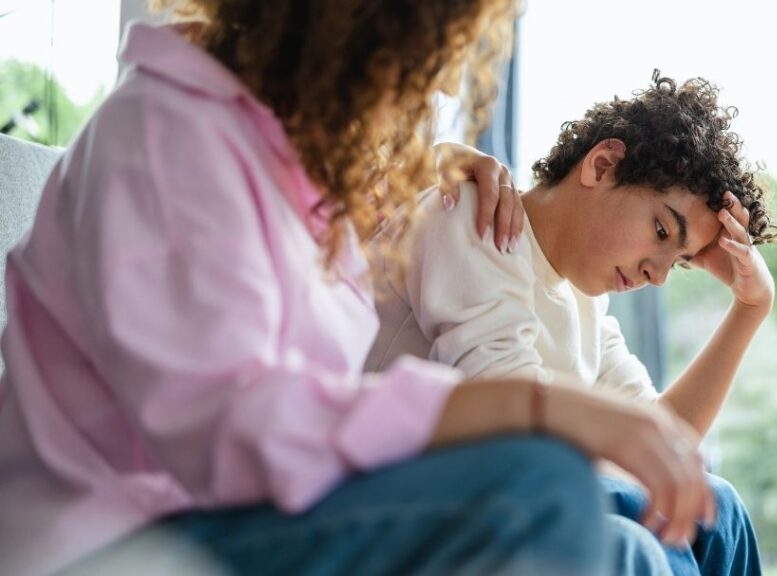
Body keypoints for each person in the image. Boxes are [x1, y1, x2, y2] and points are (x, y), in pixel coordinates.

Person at [0, 2, 717, 575]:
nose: (432, 91)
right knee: (543, 490)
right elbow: (233, 430)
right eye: (421, 66)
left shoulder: (297, 178)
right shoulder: (166, 133)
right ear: (351, 32)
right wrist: (536, 409)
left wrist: (412, 168)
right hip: (119, 534)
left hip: (249, 508)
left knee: (645, 529)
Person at [368, 71, 777, 575]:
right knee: (646, 534)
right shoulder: (477, 213)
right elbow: (512, 433)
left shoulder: (585, 303)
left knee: (720, 511)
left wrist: (750, 309)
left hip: (507, 496)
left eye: (680, 262)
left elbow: (662, 442)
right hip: (413, 502)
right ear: (602, 165)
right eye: (660, 231)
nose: (657, 274)